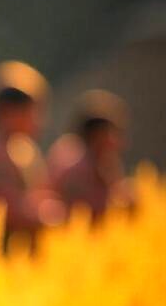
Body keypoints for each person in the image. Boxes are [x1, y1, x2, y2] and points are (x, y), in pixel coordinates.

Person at [0, 61, 62, 236]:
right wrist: (43, 214)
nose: (37, 121)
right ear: (9, 112)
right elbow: (3, 207)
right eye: (31, 112)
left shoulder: (23, 150)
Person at [49, 89, 132, 219]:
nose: (119, 142)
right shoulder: (74, 161)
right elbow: (78, 207)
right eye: (113, 134)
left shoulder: (105, 162)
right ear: (98, 135)